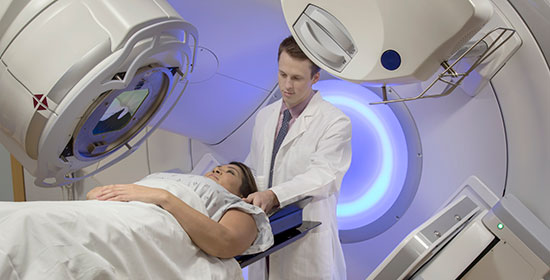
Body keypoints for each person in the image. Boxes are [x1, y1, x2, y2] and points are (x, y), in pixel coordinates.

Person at [244, 36, 352, 279]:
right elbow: (253, 167)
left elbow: (323, 176)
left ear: (315, 78)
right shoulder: (265, 117)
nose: (287, 86)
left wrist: (273, 196)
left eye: (296, 78)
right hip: (264, 241)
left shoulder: (335, 122)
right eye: (282, 75)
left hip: (306, 245)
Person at [87, 161, 271, 258]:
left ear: (241, 195)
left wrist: (164, 198)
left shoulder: (237, 206)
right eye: (217, 167)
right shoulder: (170, 180)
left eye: (230, 172)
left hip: (141, 220)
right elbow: (93, 195)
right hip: (109, 210)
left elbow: (227, 242)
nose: (217, 170)